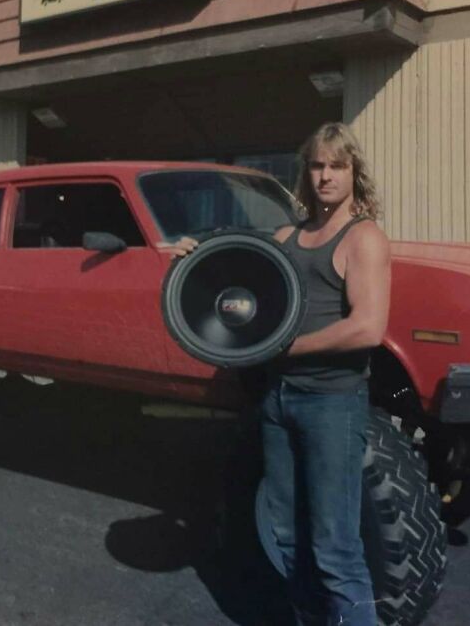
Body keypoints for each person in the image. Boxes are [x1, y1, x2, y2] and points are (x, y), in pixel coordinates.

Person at [162, 122, 390, 626]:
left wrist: (286, 348)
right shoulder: (288, 235)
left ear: (354, 172)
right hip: (277, 401)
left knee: (335, 545)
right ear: (306, 174)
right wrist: (192, 257)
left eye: (337, 166)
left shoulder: (364, 237)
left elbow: (368, 328)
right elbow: (243, 281)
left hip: (332, 403)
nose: (326, 175)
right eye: (317, 165)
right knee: (287, 534)